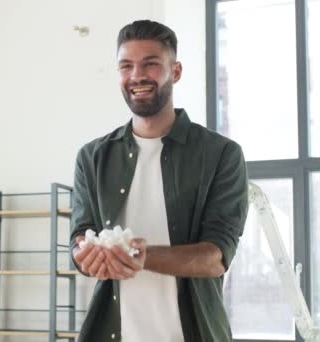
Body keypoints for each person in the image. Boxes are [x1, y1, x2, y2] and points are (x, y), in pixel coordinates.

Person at [70, 20, 249, 342]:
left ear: (175, 72)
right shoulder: (92, 158)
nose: (137, 76)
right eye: (126, 66)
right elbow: (80, 237)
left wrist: (142, 256)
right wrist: (84, 255)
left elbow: (217, 257)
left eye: (150, 65)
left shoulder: (221, 154)